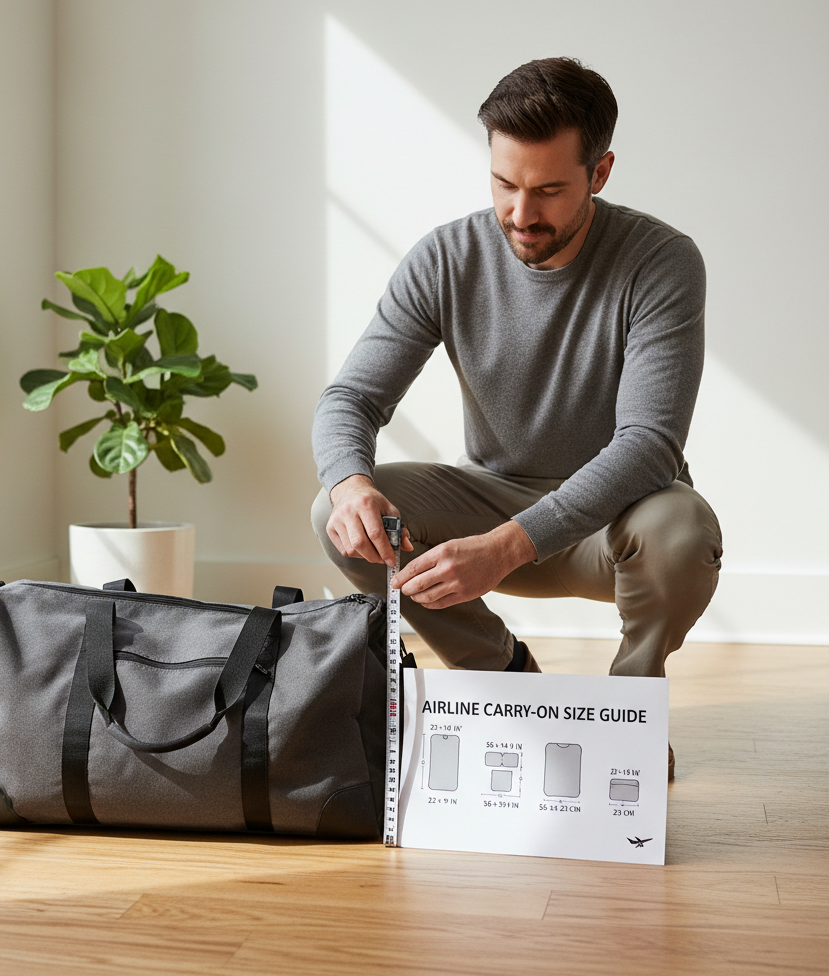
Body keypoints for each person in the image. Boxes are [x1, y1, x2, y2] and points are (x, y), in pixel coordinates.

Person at [310, 58, 723, 778]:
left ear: (600, 173)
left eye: (549, 190)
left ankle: (627, 712)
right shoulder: (446, 258)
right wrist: (351, 485)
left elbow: (650, 445)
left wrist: (507, 547)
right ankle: (504, 676)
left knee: (682, 533)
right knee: (337, 514)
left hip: (615, 523)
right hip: (489, 499)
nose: (522, 214)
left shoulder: (661, 261)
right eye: (505, 184)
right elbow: (351, 398)